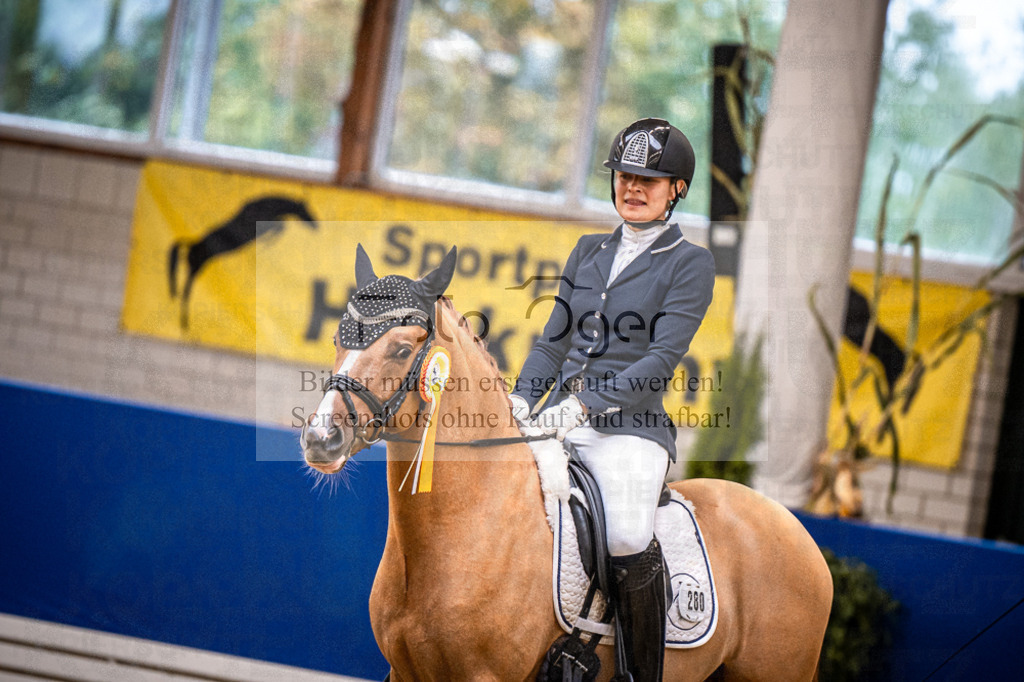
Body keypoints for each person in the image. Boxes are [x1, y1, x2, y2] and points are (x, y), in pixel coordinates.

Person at [510, 118, 715, 681]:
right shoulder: (588, 251)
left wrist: (582, 406)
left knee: (627, 532)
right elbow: (552, 342)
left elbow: (659, 363)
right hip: (561, 423)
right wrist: (521, 401)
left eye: (651, 179)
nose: (634, 187)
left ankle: (638, 673)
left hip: (632, 431)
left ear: (677, 189)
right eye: (626, 175)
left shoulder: (689, 263)